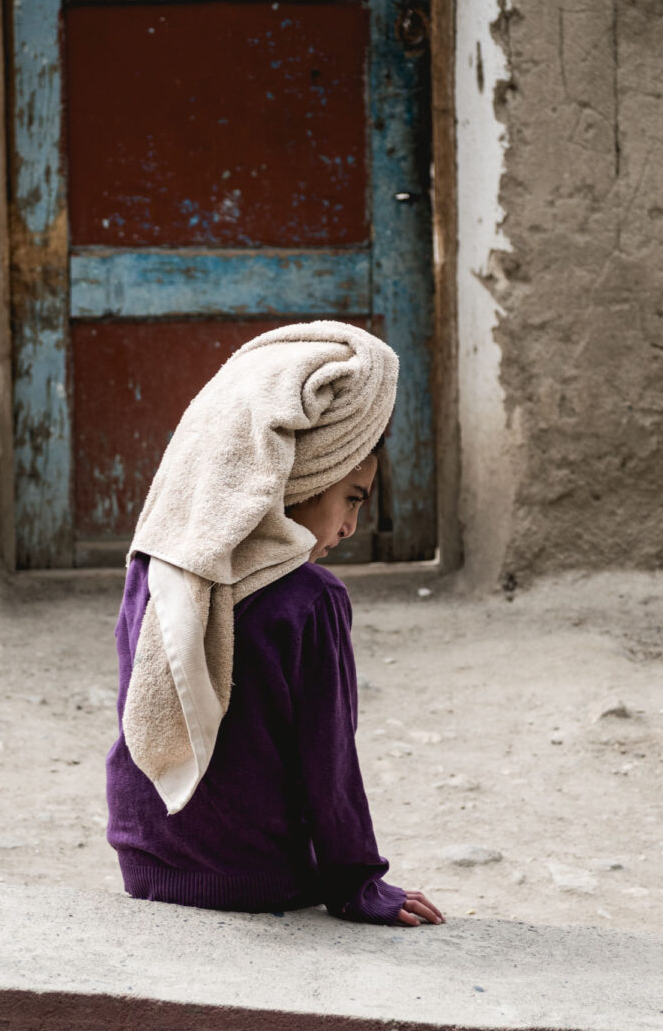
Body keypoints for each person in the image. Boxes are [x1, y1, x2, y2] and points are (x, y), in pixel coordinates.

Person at [106, 322, 443, 927]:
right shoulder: (309, 598)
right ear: (304, 472)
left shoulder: (158, 567)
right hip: (258, 878)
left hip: (147, 862)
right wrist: (357, 883)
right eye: (354, 498)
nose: (349, 528)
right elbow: (327, 758)